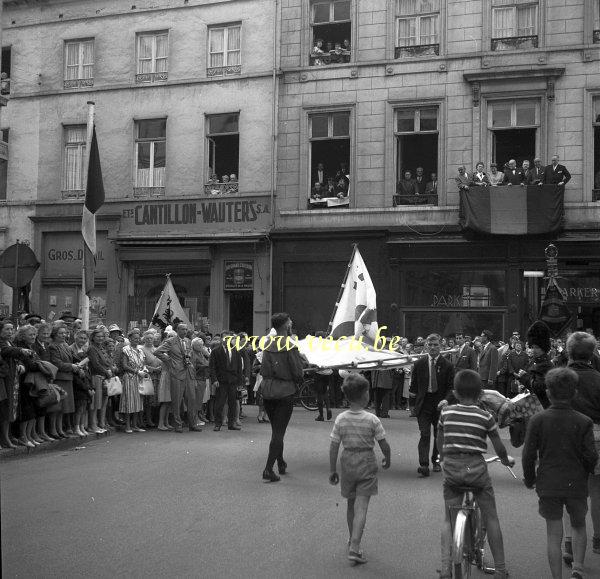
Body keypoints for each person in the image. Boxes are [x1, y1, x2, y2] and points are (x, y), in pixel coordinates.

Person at [522, 367, 598, 579]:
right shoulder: (584, 421)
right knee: (579, 524)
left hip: (548, 482)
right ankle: (578, 568)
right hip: (576, 482)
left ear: (548, 393)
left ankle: (557, 576)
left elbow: (528, 454)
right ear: (575, 393)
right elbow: (591, 456)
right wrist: (588, 470)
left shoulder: (538, 420)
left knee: (553, 534)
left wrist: (530, 479)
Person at [437, 369, 514, 579]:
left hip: (453, 469)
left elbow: (440, 438)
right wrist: (506, 460)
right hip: (477, 470)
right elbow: (498, 445)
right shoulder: (486, 416)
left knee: (448, 518)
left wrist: (443, 457)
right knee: (491, 517)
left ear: (455, 392)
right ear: (480, 394)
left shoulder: (446, 413)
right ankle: (500, 568)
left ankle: (445, 567)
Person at [329, 373, 391, 565]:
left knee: (350, 504)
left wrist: (333, 469)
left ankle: (351, 539)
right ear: (365, 395)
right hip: (366, 461)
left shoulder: (341, 419)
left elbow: (333, 446)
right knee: (362, 506)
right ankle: (355, 546)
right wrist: (387, 457)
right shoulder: (372, 419)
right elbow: (383, 443)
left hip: (347, 461)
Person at [563, 332, 600, 562]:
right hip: (597, 435)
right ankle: (598, 539)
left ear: (569, 352)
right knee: (597, 490)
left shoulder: (563, 378)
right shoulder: (598, 378)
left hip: (569, 436)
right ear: (592, 353)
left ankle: (569, 542)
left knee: (571, 491)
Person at [259, 313, 306, 482]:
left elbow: (262, 367)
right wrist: (300, 378)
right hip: (284, 391)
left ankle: (280, 462)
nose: (291, 322)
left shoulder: (268, 344)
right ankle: (268, 469)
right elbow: (297, 371)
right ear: (286, 325)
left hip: (268, 389)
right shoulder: (290, 344)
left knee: (276, 431)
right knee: (279, 432)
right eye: (290, 321)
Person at [409, 333, 455, 477]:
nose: (433, 347)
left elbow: (451, 387)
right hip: (423, 404)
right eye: (430, 345)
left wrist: (447, 400)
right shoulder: (419, 364)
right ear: (426, 346)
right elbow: (413, 386)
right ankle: (423, 465)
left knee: (438, 434)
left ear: (440, 346)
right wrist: (412, 405)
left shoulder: (448, 365)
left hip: (440, 404)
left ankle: (435, 461)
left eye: (436, 345)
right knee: (425, 433)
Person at [155, 323, 199, 433]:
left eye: (186, 329)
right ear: (178, 330)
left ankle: (192, 424)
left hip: (188, 372)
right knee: (177, 400)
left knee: (191, 399)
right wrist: (170, 361)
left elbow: (190, 354)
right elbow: (157, 352)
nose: (185, 331)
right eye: (183, 329)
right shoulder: (171, 341)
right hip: (176, 373)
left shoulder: (188, 341)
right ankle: (177, 425)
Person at [209, 329, 243, 432]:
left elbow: (239, 367)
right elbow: (212, 367)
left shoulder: (235, 350)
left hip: (233, 380)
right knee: (220, 403)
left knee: (232, 403)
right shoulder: (216, 351)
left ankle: (231, 424)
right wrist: (214, 380)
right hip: (221, 381)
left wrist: (240, 382)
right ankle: (218, 424)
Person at [49, 324, 78, 438]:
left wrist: (77, 365)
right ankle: (53, 429)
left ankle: (60, 428)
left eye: (65, 333)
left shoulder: (65, 345)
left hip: (68, 378)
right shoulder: (53, 346)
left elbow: (73, 358)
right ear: (55, 334)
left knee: (64, 406)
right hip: (59, 378)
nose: (63, 335)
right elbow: (57, 363)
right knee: (57, 405)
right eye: (60, 333)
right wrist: (72, 366)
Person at [517, 321, 554, 409]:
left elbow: (539, 388)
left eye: (536, 347)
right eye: (532, 347)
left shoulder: (546, 364)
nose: (533, 350)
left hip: (542, 406)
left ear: (544, 348)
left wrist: (524, 377)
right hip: (534, 405)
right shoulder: (535, 361)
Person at [88, 327, 116, 432]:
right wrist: (106, 371)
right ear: (93, 337)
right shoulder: (92, 348)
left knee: (102, 402)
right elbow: (95, 364)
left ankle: (101, 423)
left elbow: (107, 362)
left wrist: (110, 369)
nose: (100, 338)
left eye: (102, 336)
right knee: (94, 403)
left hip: (104, 378)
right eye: (98, 336)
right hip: (95, 377)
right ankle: (93, 425)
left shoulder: (101, 348)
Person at [119, 328, 146, 434]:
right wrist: (136, 371)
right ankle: (128, 425)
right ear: (129, 338)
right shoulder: (125, 349)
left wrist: (144, 370)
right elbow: (124, 365)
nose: (136, 340)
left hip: (139, 378)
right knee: (129, 401)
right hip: (129, 377)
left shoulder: (140, 350)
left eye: (138, 338)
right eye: (134, 338)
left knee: (138, 402)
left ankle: (135, 425)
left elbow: (143, 363)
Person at [139, 330, 161, 428]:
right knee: (145, 399)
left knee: (153, 400)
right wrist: (153, 369)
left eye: (151, 338)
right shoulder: (141, 349)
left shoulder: (156, 349)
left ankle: (151, 418)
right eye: (147, 338)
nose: (149, 340)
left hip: (157, 377)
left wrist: (160, 368)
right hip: (147, 377)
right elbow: (141, 364)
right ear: (144, 339)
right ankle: (143, 419)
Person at [191, 336, 210, 428]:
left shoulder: (201, 353)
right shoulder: (193, 354)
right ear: (193, 345)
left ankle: (197, 417)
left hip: (203, 378)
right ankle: (194, 419)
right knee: (196, 401)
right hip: (197, 379)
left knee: (200, 401)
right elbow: (193, 368)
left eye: (201, 345)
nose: (200, 347)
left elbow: (208, 362)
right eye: (198, 345)